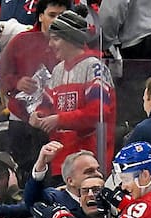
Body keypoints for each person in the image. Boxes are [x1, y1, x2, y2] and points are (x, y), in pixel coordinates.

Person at [31, 9, 116, 177]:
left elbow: (98, 112)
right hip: (60, 163)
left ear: (71, 39)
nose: (50, 44)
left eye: (55, 39)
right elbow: (47, 106)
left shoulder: (94, 67)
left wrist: (59, 120)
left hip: (90, 163)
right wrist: (39, 115)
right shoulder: (58, 70)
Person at [0, 0, 69, 174]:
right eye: (52, 15)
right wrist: (17, 82)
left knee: (57, 171)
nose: (57, 20)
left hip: (58, 119)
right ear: (41, 16)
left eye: (62, 16)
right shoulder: (22, 40)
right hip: (22, 117)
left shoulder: (72, 43)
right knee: (24, 170)